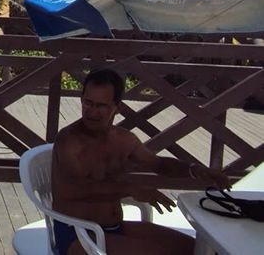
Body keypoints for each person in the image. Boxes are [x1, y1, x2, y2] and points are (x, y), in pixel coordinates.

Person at [52, 68, 231, 255]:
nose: (92, 112)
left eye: (101, 105)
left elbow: (158, 164)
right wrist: (130, 189)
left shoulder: (123, 139)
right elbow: (74, 190)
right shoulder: (68, 140)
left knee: (198, 250)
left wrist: (195, 170)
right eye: (88, 103)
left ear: (117, 108)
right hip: (77, 234)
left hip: (113, 228)